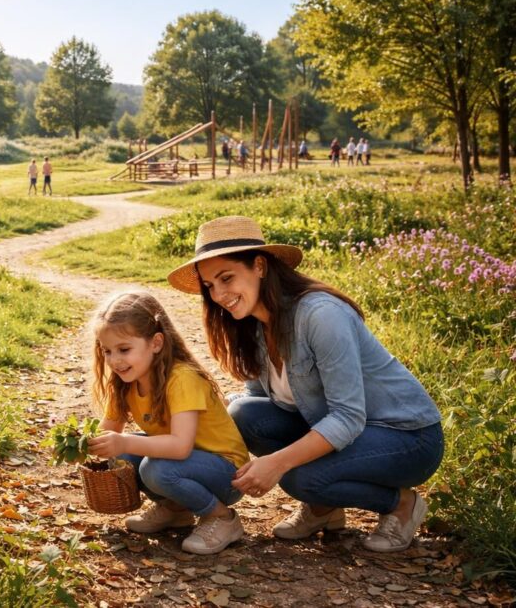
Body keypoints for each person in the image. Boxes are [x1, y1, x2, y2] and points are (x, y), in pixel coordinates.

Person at [167, 216, 444, 552]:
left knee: (300, 478)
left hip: (406, 437)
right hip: (348, 433)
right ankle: (324, 509)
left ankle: (400, 504)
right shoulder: (253, 325)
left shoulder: (321, 315)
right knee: (242, 413)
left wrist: (278, 462)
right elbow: (259, 402)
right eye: (210, 285)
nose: (220, 295)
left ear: (259, 266)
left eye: (227, 278)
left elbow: (347, 416)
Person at [86, 291, 250, 555]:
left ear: (156, 343)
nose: (115, 360)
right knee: (124, 454)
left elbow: (180, 447)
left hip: (226, 473)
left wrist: (124, 441)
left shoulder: (181, 378)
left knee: (153, 467)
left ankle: (222, 518)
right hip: (187, 467)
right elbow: (109, 431)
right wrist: (82, 443)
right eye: (107, 351)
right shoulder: (124, 384)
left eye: (124, 349)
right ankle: (176, 510)